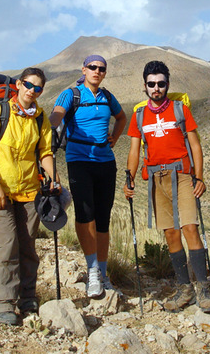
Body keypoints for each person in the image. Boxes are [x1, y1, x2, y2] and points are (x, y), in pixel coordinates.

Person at [123, 60, 210, 312]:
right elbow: (134, 149)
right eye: (152, 84)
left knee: (189, 228)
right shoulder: (139, 115)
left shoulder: (179, 110)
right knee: (171, 234)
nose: (156, 88)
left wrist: (200, 177)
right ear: (145, 86)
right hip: (155, 179)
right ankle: (184, 289)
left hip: (182, 175)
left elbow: (195, 145)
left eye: (161, 84)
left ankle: (204, 290)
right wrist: (129, 177)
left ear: (167, 85)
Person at [0, 67, 57, 326]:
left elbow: (45, 152)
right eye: (28, 85)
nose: (32, 91)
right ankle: (3, 302)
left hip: (29, 191)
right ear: (19, 84)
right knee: (7, 246)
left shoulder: (40, 118)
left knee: (28, 247)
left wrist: (53, 179)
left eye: (38, 88)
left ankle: (28, 297)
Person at [50, 55, 127, 297]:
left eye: (101, 69)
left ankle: (103, 274)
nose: (97, 71)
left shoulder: (107, 96)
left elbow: (122, 117)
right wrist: (44, 125)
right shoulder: (70, 94)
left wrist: (115, 136)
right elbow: (56, 116)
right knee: (85, 215)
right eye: (92, 67)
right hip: (79, 160)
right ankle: (92, 270)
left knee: (103, 218)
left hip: (105, 162)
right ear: (84, 69)